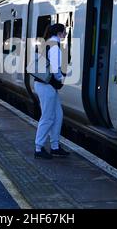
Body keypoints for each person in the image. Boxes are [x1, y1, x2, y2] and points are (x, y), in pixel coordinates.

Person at [33, 23, 69, 159]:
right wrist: (61, 78)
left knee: (58, 115)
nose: (66, 34)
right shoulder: (54, 47)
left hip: (45, 85)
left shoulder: (48, 43)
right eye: (64, 32)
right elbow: (55, 69)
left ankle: (55, 146)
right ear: (59, 33)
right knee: (48, 117)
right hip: (46, 85)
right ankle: (38, 147)